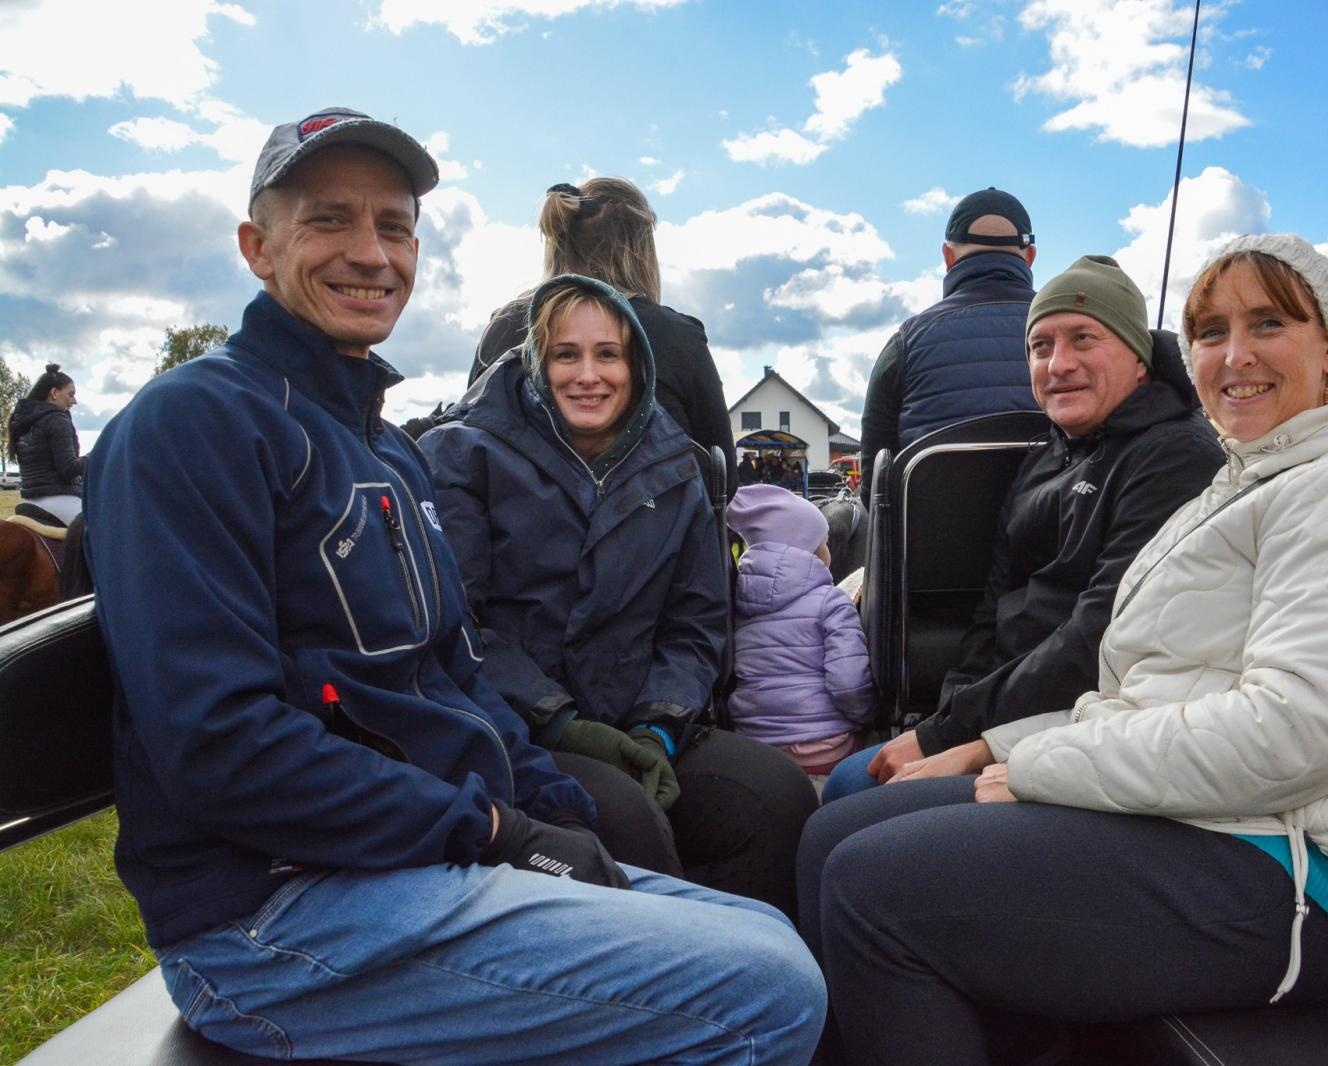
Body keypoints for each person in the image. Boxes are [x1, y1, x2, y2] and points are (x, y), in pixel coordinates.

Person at [84, 107, 823, 1064]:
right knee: (768, 993)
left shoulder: (386, 448)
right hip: (274, 916)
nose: (370, 253)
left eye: (393, 226)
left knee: (772, 938)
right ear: (256, 248)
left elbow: (454, 670)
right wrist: (490, 827)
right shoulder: (195, 425)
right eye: (328, 221)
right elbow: (221, 744)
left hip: (406, 860)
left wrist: (554, 800)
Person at [797, 234, 1328, 1065]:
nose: (1235, 355)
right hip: (1221, 819)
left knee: (872, 888)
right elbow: (1149, 693)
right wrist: (994, 742)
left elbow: (1291, 737)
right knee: (835, 837)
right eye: (1209, 332)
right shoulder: (1252, 480)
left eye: (1268, 323)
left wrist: (1031, 768)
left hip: (1319, 875)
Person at [422, 274, 820, 920]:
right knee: (623, 817)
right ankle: (680, 996)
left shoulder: (674, 466)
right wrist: (558, 720)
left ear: (636, 365)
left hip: (637, 720)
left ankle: (775, 982)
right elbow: (458, 625)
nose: (588, 375)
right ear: (535, 361)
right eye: (565, 354)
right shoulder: (464, 456)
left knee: (777, 794)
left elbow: (696, 621)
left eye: (607, 354)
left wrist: (659, 723)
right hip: (518, 729)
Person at [823, 255, 1224, 801]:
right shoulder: (1046, 455)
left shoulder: (1173, 458)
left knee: (849, 792)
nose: (1059, 364)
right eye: (1041, 347)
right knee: (850, 783)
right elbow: (994, 611)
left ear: (1139, 359)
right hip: (1002, 711)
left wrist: (953, 734)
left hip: (1083, 724)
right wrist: (949, 714)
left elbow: (1098, 638)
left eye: (1084, 339)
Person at [470, 177, 737, 488]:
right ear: (641, 250)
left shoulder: (502, 327)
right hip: (652, 528)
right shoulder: (674, 336)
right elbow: (722, 475)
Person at [859, 187, 1038, 496]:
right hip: (1058, 539)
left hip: (928, 541)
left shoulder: (906, 342)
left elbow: (873, 481)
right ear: (1030, 257)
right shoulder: (1079, 337)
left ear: (947, 256)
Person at [725, 484, 875, 775]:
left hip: (756, 747)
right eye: (825, 542)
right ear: (812, 551)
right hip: (825, 749)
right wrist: (867, 716)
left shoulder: (740, 605)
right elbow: (849, 684)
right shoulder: (831, 602)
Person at [8, 363, 85, 526]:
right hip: (60, 501)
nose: (74, 401)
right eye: (70, 394)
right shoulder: (57, 419)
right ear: (54, 393)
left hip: (28, 501)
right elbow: (68, 469)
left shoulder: (24, 422)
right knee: (109, 531)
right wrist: (97, 456)